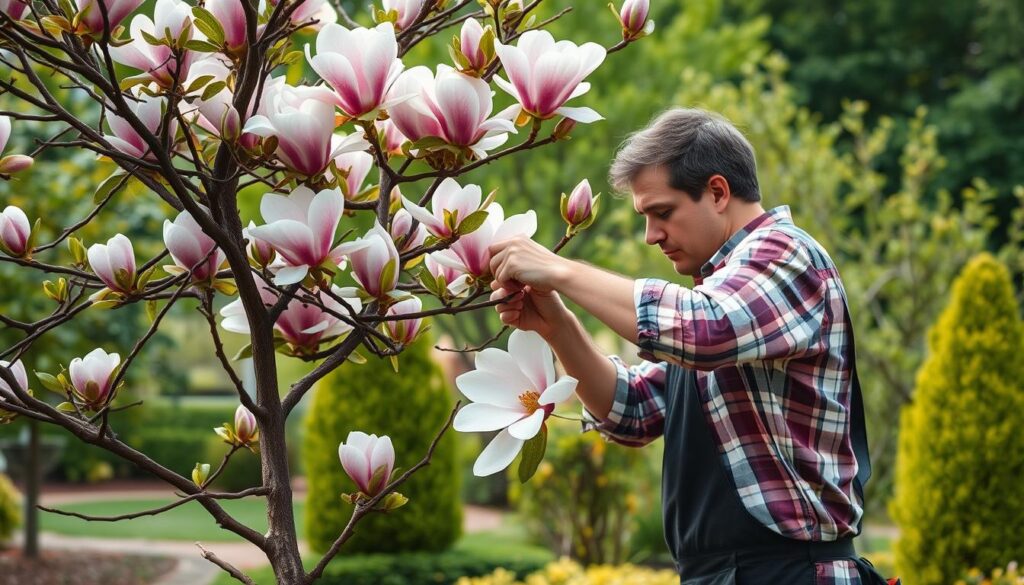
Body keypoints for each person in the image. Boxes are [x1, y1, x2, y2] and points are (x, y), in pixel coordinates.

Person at [487, 108, 896, 584]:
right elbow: (633, 410)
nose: (651, 235)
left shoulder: (785, 256)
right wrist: (557, 325)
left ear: (718, 192)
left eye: (662, 212)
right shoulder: (720, 299)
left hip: (791, 571)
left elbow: (705, 331)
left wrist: (560, 270)